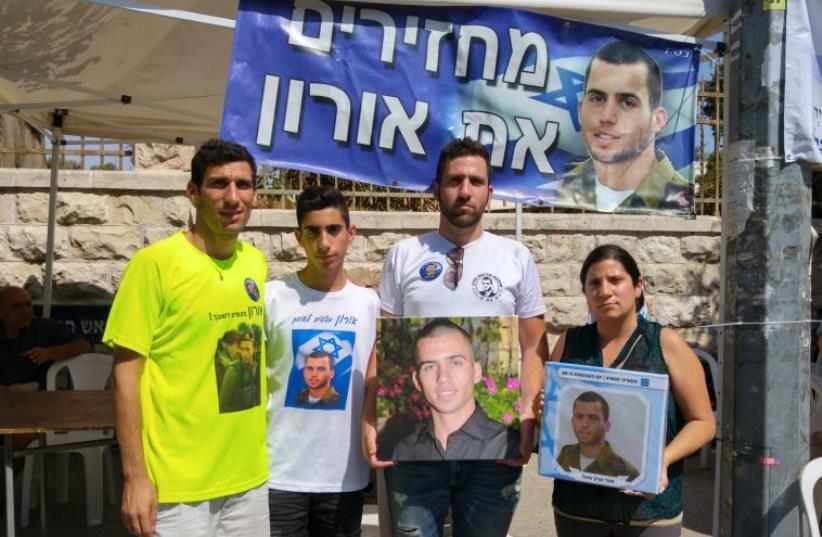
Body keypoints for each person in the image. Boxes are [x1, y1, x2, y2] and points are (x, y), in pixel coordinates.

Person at [367, 137, 549, 536]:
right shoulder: (403, 255)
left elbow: (535, 347)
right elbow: (384, 345)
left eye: (475, 181)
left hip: (493, 449)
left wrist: (526, 417)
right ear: (437, 189)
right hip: (414, 449)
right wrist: (370, 417)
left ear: (490, 192)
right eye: (454, 181)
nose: (464, 190)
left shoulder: (515, 257)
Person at [103, 139, 269, 537]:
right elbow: (126, 376)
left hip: (248, 479)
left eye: (243, 185)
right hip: (176, 489)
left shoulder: (255, 262)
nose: (233, 198)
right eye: (218, 184)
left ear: (255, 194)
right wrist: (135, 477)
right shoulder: (154, 265)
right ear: (193, 192)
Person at [546, 244, 714, 535]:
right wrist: (545, 413)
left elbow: (703, 422)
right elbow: (555, 422)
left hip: (649, 513)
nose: (605, 290)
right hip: (577, 508)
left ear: (638, 286)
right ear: (585, 293)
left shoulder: (665, 343)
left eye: (615, 280)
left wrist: (661, 460)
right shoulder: (569, 342)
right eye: (594, 283)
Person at [264, 185, 379, 536]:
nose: (323, 243)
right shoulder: (273, 297)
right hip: (278, 472)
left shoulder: (369, 304)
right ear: (298, 237)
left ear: (351, 234)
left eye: (333, 230)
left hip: (343, 475)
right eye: (312, 232)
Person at [554, 40, 692, 213]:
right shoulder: (560, 187)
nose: (607, 117)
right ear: (581, 110)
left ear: (657, 120)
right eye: (597, 98)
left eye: (627, 102)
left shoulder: (681, 198)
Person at [390, 319, 519, 461]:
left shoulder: (509, 445)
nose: (443, 377)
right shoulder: (404, 451)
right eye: (430, 367)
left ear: (476, 372)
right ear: (417, 381)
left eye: (455, 363)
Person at [0, 285, 92, 390]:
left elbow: (84, 345)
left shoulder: (43, 327)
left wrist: (50, 353)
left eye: (28, 304)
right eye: (16, 307)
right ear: (1, 312)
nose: (25, 311)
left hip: (40, 398)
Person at [556, 391, 639, 481]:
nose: (584, 424)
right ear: (572, 422)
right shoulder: (565, 454)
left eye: (593, 418)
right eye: (579, 416)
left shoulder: (627, 472)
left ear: (607, 426)